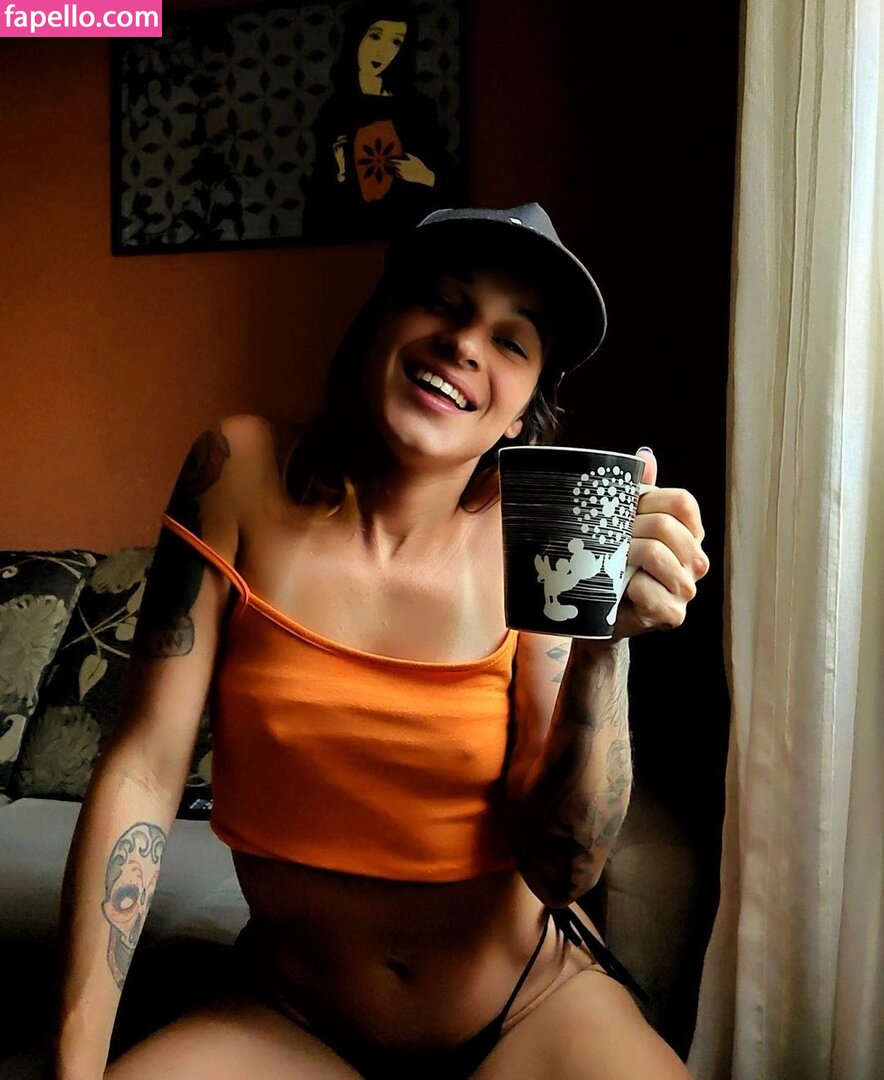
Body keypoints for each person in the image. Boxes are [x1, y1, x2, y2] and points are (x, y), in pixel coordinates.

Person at [53, 202, 709, 1080]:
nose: (464, 344)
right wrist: (74, 1065)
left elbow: (565, 868)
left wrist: (603, 646)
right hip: (289, 1019)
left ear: (522, 414)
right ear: (380, 322)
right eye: (443, 301)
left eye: (512, 341)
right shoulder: (236, 470)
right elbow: (142, 770)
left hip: (528, 1010)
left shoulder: (540, 537)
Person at [301, 0, 459, 242]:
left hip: (408, 241)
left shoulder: (418, 109)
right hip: (347, 240)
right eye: (375, 36)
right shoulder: (335, 110)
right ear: (357, 37)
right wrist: (341, 171)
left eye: (396, 42)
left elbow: (452, 184)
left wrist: (425, 176)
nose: (383, 51)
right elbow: (321, 192)